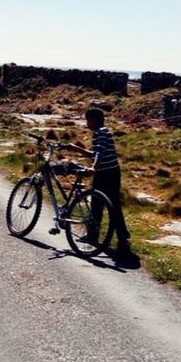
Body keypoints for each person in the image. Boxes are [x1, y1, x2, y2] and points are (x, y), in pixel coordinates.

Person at [66, 108, 135, 262]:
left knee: (111, 204)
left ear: (95, 120)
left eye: (88, 120)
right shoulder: (100, 132)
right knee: (98, 203)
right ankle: (95, 235)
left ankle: (121, 238)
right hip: (106, 172)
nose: (86, 123)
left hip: (108, 173)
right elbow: (94, 153)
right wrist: (77, 149)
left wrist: (93, 167)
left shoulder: (101, 132)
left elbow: (100, 152)